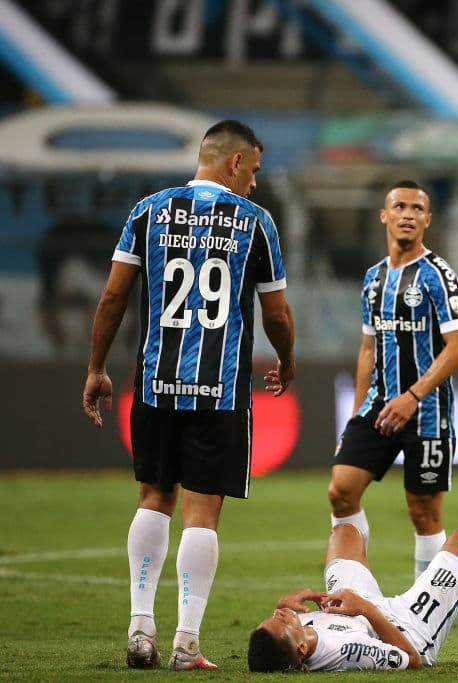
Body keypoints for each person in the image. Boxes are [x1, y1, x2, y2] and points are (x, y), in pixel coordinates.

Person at [82, 119, 295, 671]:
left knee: (154, 498)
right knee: (202, 515)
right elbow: (276, 312)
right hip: (219, 391)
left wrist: (97, 367)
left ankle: (139, 629)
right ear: (233, 163)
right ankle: (185, 644)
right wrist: (288, 360)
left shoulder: (147, 211)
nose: (254, 181)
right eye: (254, 169)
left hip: (157, 383)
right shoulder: (255, 222)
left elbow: (112, 297)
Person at [328, 180, 458, 578]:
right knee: (341, 491)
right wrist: (354, 417)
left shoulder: (439, 276)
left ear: (427, 219)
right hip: (379, 406)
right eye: (400, 206)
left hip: (426, 412)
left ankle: (428, 607)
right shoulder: (373, 280)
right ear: (384, 216)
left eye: (417, 208)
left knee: (423, 512)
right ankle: (354, 588)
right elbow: (368, 351)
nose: (408, 214)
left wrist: (413, 395)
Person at [247, 524, 458, 671]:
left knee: (344, 533)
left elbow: (282, 624)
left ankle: (457, 593)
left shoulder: (293, 637)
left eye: (271, 618)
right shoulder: (346, 650)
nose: (279, 616)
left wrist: (286, 603)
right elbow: (411, 659)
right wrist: (363, 608)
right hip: (400, 627)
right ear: (300, 648)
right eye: (281, 622)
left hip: (355, 609)